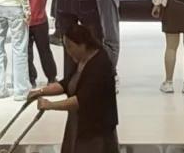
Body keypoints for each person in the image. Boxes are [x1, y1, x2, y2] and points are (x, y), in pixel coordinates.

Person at [28, 23, 119, 153]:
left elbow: (81, 100)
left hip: (96, 130)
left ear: (83, 44)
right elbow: (67, 83)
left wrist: (50, 105)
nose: (68, 51)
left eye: (70, 47)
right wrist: (40, 92)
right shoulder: (81, 59)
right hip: (79, 124)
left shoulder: (100, 65)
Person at [20, 0, 57, 87]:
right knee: (45, 50)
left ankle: (31, 79)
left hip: (25, 20)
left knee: (27, 52)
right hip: (41, 19)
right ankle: (51, 77)